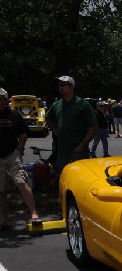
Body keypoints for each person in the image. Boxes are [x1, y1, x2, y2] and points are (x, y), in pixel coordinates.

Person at [0, 88, 41, 228]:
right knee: (1, 190)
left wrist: (19, 150)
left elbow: (23, 134)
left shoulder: (13, 115)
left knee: (21, 182)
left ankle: (34, 214)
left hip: (12, 154)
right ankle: (4, 221)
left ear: (6, 100)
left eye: (1, 98)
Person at [45, 76, 98, 173]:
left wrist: (81, 146)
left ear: (72, 86)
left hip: (79, 152)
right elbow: (47, 117)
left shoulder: (82, 104)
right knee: (64, 178)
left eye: (64, 85)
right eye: (59, 85)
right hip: (62, 151)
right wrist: (54, 129)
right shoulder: (57, 104)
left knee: (80, 178)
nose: (60, 87)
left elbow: (93, 128)